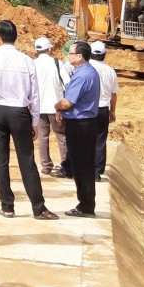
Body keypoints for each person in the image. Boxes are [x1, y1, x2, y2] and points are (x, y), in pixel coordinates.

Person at [0, 20, 57, 220]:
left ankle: (7, 207)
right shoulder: (26, 60)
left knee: (1, 159)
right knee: (27, 160)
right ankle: (38, 208)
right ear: (15, 37)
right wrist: (34, 120)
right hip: (20, 112)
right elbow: (34, 94)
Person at [54, 41, 102, 217]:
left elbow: (68, 102)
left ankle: (86, 206)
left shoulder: (82, 75)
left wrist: (56, 105)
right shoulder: (86, 72)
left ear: (80, 56)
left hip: (80, 125)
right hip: (84, 123)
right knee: (83, 164)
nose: (69, 56)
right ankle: (85, 203)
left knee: (82, 166)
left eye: (71, 54)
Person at [32, 36, 69, 179]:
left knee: (42, 136)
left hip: (38, 107)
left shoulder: (32, 64)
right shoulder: (57, 63)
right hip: (56, 107)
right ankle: (65, 166)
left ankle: (46, 166)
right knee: (61, 136)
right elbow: (68, 83)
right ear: (49, 49)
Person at [88, 42, 119, 181]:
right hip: (102, 109)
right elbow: (113, 94)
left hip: (87, 109)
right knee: (100, 140)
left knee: (86, 139)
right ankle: (97, 171)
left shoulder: (85, 68)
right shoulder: (110, 71)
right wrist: (112, 111)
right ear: (104, 54)